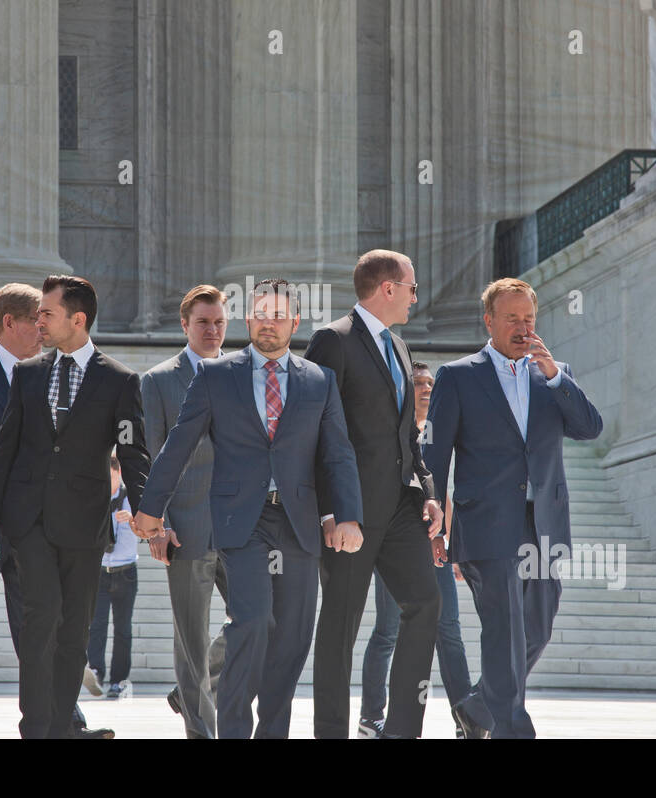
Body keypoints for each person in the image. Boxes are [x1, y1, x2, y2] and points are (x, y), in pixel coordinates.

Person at [133, 278, 364, 739]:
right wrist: (150, 507)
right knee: (252, 622)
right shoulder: (217, 376)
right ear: (249, 319)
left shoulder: (320, 380)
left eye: (279, 316)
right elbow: (178, 445)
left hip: (297, 522)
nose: (269, 324)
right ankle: (234, 730)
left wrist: (349, 515)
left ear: (295, 322)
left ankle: (272, 732)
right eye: (261, 314)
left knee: (293, 636)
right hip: (241, 521)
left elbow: (337, 453)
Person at [423, 278, 602, 738]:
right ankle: (511, 730)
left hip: (543, 521)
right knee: (504, 629)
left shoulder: (552, 373)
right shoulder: (459, 376)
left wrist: (556, 377)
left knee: (536, 628)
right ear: (489, 321)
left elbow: (589, 427)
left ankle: (478, 708)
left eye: (529, 319)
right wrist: (435, 521)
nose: (523, 328)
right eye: (512, 319)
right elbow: (436, 454)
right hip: (486, 523)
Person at [0, 275, 150, 739]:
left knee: (74, 631)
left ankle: (58, 728)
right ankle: (35, 729)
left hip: (85, 525)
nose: (39, 321)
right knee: (41, 620)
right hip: (28, 520)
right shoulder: (28, 373)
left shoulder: (120, 381)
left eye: (47, 314)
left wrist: (148, 511)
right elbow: (4, 448)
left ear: (78, 319)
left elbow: (133, 454)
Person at [304, 250, 441, 739]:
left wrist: (426, 490)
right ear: (387, 287)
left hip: (402, 508)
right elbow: (312, 430)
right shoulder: (332, 342)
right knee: (339, 628)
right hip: (351, 513)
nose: (415, 295)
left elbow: (407, 436)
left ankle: (401, 730)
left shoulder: (401, 348)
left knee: (425, 604)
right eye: (411, 286)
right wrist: (330, 511)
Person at [358, 361, 473, 739]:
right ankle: (371, 717)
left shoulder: (443, 430)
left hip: (435, 545)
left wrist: (453, 543)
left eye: (431, 383)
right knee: (388, 631)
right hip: (396, 544)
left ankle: (466, 718)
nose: (426, 388)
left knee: (450, 630)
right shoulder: (394, 429)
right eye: (419, 382)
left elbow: (444, 490)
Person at [140, 284, 229, 737]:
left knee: (262, 620)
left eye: (218, 322)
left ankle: (191, 689)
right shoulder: (158, 381)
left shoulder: (243, 373)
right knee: (191, 643)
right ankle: (201, 731)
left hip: (241, 527)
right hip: (186, 529)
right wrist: (158, 525)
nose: (212, 330)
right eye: (203, 322)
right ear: (184, 325)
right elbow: (151, 457)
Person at [87, 454, 140, 699]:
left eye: (110, 476)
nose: (106, 481)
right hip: (100, 571)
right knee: (96, 625)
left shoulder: (132, 498)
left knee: (123, 629)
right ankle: (95, 671)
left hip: (125, 571)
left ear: (119, 473)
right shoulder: (96, 497)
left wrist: (132, 521)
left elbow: (148, 529)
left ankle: (119, 680)